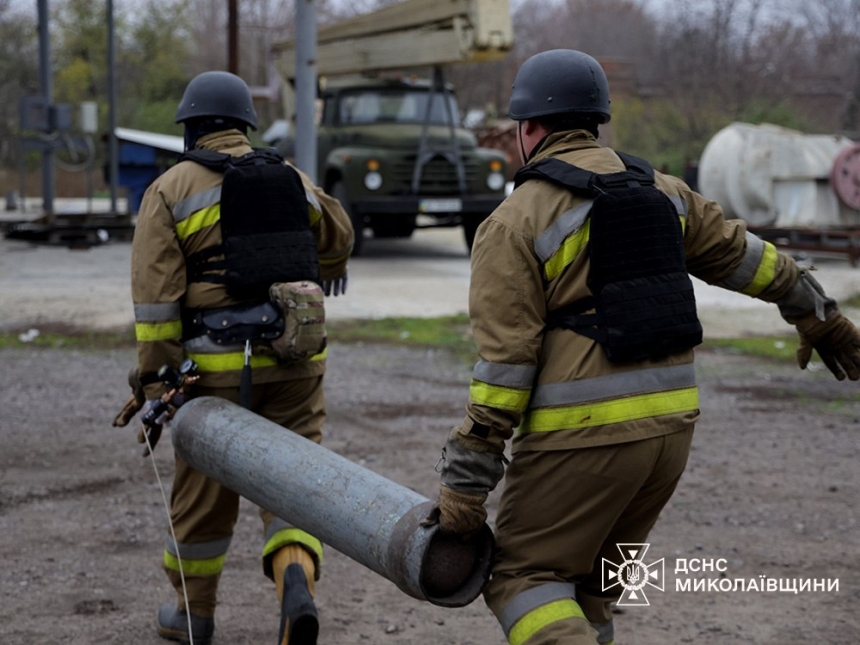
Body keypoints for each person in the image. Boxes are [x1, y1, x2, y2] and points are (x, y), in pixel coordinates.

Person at [424, 49, 860, 645]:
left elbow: (506, 368)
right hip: (669, 437)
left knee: (526, 577)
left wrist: (466, 481)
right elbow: (749, 258)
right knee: (595, 583)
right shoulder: (665, 192)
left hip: (581, 436)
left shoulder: (513, 222)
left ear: (527, 129)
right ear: (597, 119)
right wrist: (820, 316)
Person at [130, 70, 353, 645]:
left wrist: (156, 382)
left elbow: (156, 304)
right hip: (296, 364)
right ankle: (295, 579)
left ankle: (194, 615)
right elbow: (340, 238)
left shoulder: (170, 190)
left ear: (192, 130)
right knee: (294, 483)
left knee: (202, 499)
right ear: (244, 128)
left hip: (212, 371)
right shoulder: (289, 177)